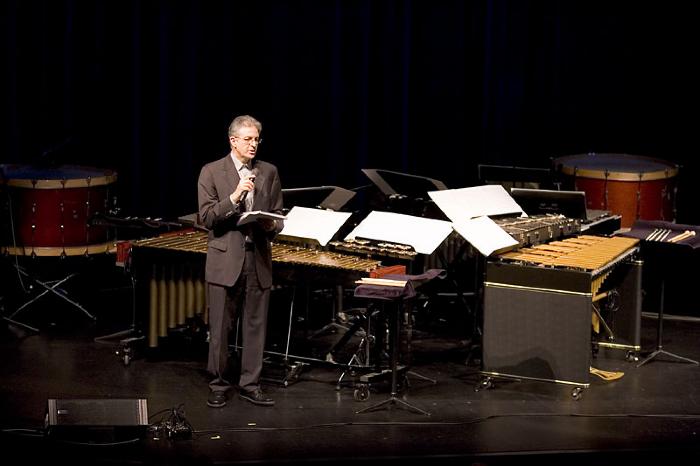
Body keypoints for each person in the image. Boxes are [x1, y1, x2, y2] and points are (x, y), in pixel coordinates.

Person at [197, 115, 284, 408]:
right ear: (233, 140)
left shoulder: (268, 172)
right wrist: (235, 196)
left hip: (257, 257)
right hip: (226, 260)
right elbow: (206, 218)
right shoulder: (211, 172)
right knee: (221, 327)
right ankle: (219, 383)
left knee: (256, 326)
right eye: (247, 139)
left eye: (256, 139)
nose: (253, 144)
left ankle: (250, 383)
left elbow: (277, 214)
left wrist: (272, 224)